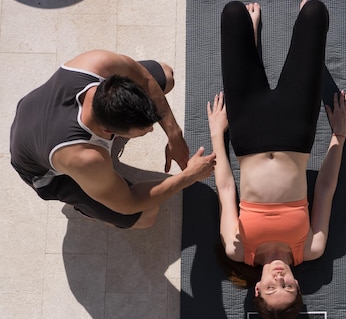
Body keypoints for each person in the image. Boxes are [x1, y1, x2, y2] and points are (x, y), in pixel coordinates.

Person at [207, 0, 346, 319]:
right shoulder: (311, 248)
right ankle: (259, 47)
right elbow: (326, 189)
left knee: (232, 13)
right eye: (287, 286)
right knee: (314, 12)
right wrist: (338, 136)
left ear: (257, 289)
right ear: (298, 285)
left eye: (272, 287)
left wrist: (218, 134)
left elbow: (226, 188)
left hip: (247, 131)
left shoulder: (237, 251)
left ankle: (253, 41)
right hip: (295, 129)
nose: (279, 278)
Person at [10, 50, 216, 228]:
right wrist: (189, 176)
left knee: (165, 75)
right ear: (109, 131)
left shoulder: (97, 63)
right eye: (143, 131)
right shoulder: (87, 158)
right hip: (42, 171)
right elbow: (130, 202)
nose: (152, 131)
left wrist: (174, 134)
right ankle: (87, 208)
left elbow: (144, 79)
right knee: (146, 216)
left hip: (37, 115)